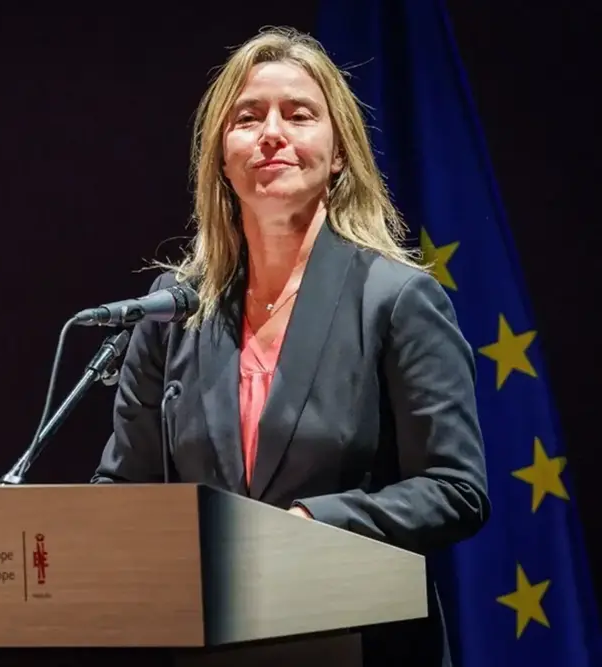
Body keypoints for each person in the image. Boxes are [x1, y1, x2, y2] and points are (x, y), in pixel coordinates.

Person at [91, 26, 490, 667]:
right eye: (247, 118)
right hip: (203, 641)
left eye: (299, 114)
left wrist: (310, 525)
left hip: (357, 639)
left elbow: (454, 489)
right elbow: (125, 489)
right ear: (222, 158)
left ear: (338, 155)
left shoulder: (396, 299)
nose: (271, 132)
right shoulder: (173, 309)